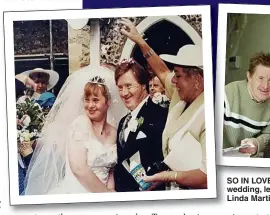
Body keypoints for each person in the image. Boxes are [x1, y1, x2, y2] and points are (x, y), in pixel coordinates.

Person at [119, 18, 207, 189]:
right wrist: (139, 40)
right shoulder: (178, 95)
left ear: (197, 80)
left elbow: (208, 177)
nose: (173, 79)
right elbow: (161, 70)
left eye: (179, 75)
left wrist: (169, 176)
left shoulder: (207, 114)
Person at [24, 65, 127, 194]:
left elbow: (110, 168)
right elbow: (79, 168)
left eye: (95, 100)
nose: (90, 105)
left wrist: (111, 190)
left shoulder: (113, 131)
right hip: (79, 192)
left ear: (108, 102)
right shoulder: (80, 124)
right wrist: (106, 194)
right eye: (87, 100)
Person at [113, 58, 168, 192]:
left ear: (144, 85)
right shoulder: (122, 122)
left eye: (129, 86)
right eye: (120, 88)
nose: (124, 93)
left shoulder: (160, 114)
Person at [222, 52, 270, 158]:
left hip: (248, 160)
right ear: (249, 76)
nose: (265, 86)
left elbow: (269, 135)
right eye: (260, 78)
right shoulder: (226, 93)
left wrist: (256, 143)